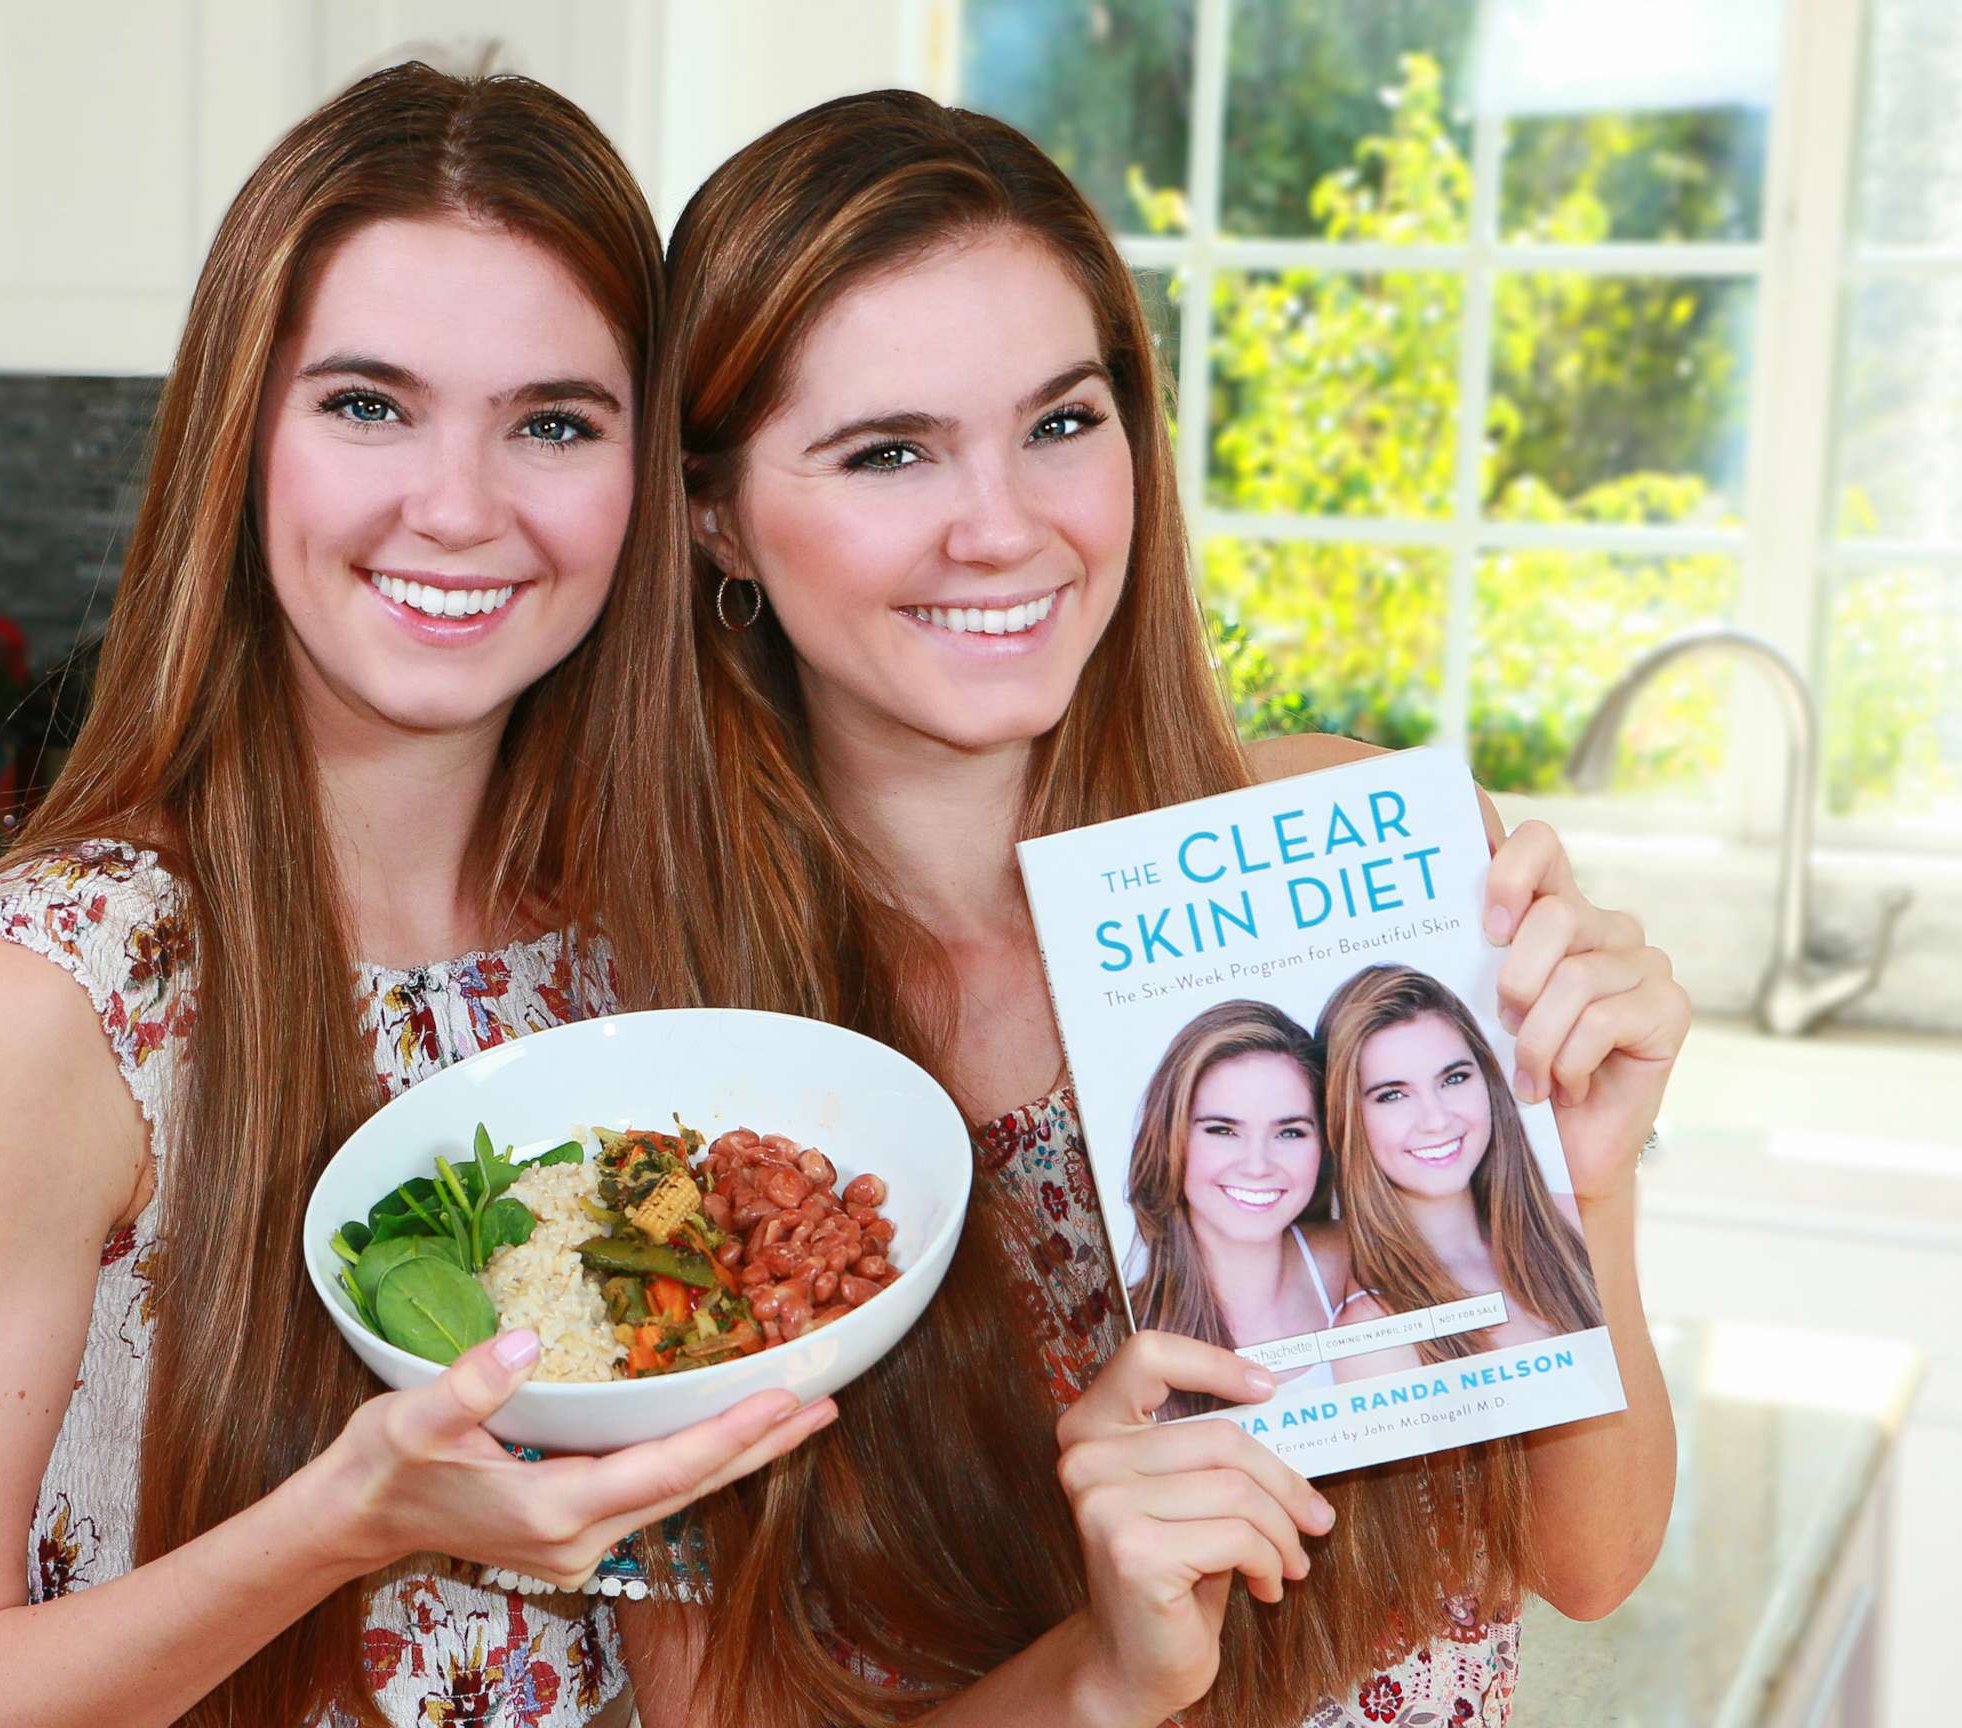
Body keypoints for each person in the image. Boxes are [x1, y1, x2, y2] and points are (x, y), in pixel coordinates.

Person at [623, 88, 1687, 1728]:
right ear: (712, 514)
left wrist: (1577, 1188)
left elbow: (1588, 1555)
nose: (1005, 525)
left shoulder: (1347, 854)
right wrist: (1103, 1676)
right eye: (890, 449)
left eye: (1061, 422)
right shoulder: (672, 1080)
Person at [0, 66, 829, 1728]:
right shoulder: (48, 996)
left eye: (553, 421)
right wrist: (339, 1522)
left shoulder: (661, 948)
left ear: (650, 480)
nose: (457, 504)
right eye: (368, 403)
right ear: (242, 436)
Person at [1316, 965, 1604, 1383]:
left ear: (1487, 1081)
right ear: (1346, 1118)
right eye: (1392, 1095)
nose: (1435, 1119)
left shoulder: (1571, 1223)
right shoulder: (1374, 1332)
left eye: (1453, 1078)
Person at [1121, 1001, 1351, 1414]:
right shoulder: (1125, 1332)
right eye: (1223, 1130)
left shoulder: (1365, 1262)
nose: (1258, 1165)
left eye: (1290, 1132)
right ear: (1171, 1137)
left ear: (1323, 1146)